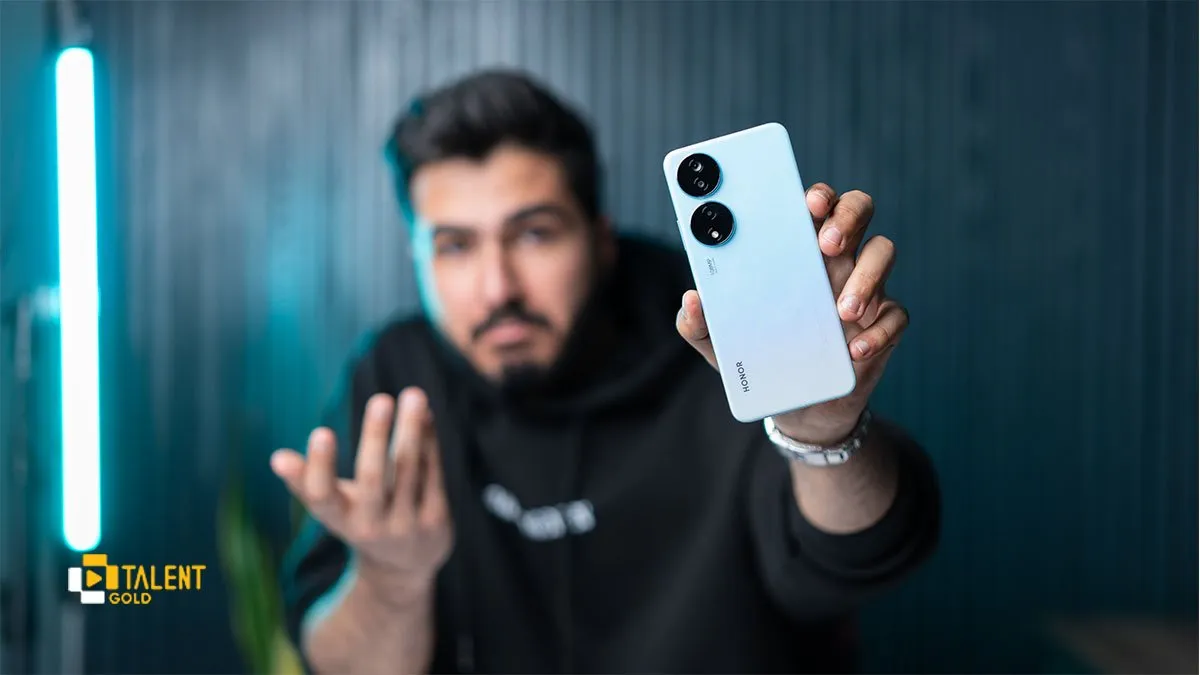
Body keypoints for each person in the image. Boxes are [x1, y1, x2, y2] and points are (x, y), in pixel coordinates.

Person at [272, 69, 940, 675]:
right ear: (418, 255)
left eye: (534, 233)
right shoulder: (396, 375)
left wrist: (820, 431)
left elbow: (850, 563)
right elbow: (340, 665)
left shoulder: (727, 334)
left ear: (599, 237)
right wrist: (391, 580)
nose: (497, 287)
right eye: (454, 246)